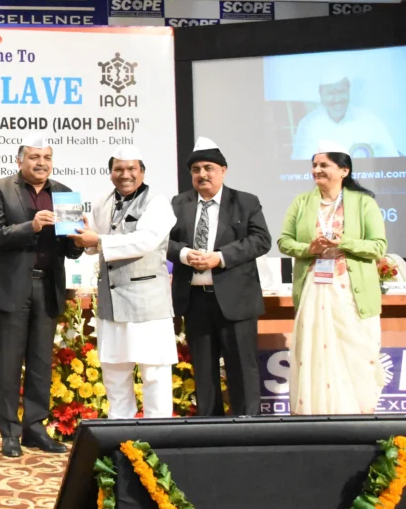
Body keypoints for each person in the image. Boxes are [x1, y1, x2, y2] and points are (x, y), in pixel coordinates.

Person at [0, 134, 82, 458]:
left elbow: (71, 250)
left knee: (41, 364)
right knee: (10, 364)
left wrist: (79, 240)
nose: (41, 163)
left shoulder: (65, 193)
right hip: (13, 287)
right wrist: (32, 226)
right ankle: (10, 433)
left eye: (47, 158)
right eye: (34, 157)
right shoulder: (0, 189)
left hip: (49, 286)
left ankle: (35, 429)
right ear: (20, 160)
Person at [278, 140, 387, 414]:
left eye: (324, 165)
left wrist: (345, 242)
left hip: (351, 293)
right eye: (314, 165)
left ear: (344, 170)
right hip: (314, 290)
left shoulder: (364, 202)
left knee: (356, 354)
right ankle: (313, 418)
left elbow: (378, 247)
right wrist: (309, 249)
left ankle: (359, 419)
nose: (317, 170)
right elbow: (284, 241)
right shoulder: (302, 202)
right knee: (313, 354)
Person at [71, 147, 177, 420]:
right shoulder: (102, 202)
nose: (125, 174)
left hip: (147, 304)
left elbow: (145, 241)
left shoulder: (157, 202)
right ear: (110, 174)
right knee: (115, 374)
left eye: (132, 169)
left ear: (142, 172)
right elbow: (94, 245)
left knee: (154, 374)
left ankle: (160, 434)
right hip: (111, 304)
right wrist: (81, 236)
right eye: (118, 169)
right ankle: (120, 435)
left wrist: (98, 241)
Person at [168, 137, 271, 417]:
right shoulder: (179, 203)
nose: (202, 174)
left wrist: (221, 257)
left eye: (209, 168)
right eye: (196, 169)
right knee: (203, 371)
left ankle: (247, 427)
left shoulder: (245, 202)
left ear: (223, 170)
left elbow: (261, 240)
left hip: (236, 300)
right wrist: (184, 254)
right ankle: (209, 428)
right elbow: (163, 241)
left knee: (242, 369)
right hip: (195, 301)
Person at [291, 73, 397, 159]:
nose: (337, 99)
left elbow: (392, 159)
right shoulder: (308, 124)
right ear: (320, 93)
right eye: (330, 93)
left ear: (348, 90)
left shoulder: (369, 120)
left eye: (341, 92)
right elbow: (300, 167)